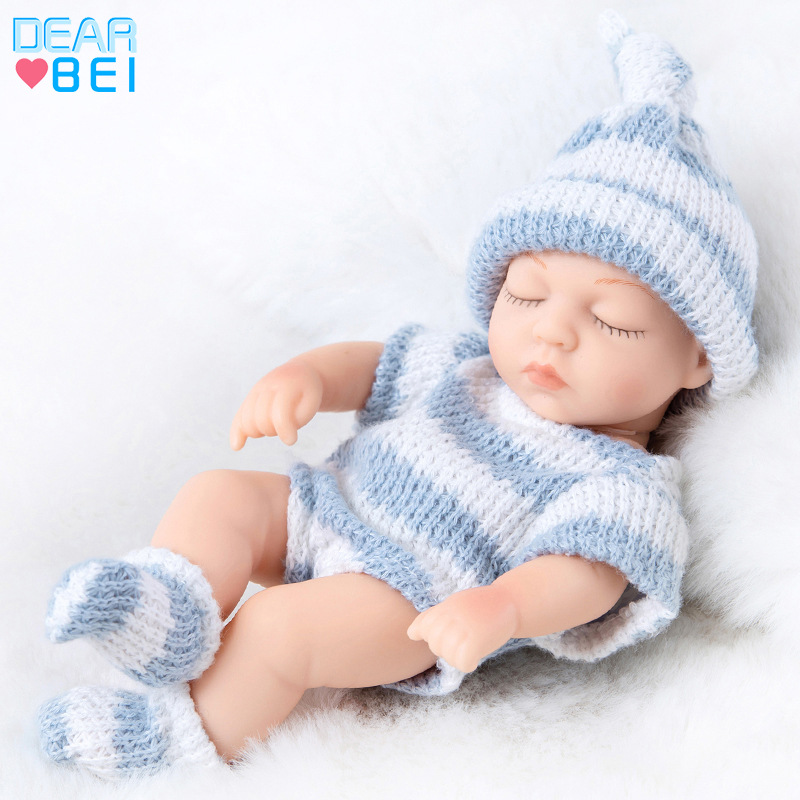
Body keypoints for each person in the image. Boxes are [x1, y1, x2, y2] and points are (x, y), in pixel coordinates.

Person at [38, 11, 758, 778]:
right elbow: (376, 364)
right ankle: (170, 613)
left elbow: (588, 572)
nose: (551, 333)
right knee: (218, 494)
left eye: (610, 321)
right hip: (321, 506)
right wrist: (308, 378)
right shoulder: (468, 368)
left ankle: (177, 740)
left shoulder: (622, 482)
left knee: (278, 630)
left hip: (405, 599)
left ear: (697, 357)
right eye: (526, 294)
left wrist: (506, 606)